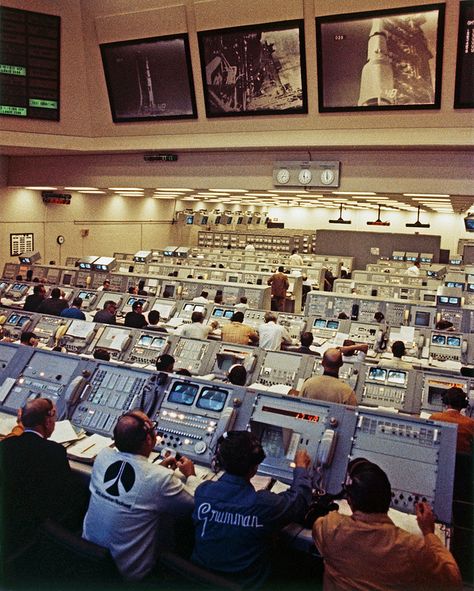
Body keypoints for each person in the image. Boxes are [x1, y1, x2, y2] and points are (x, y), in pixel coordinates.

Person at [313, 458, 462, 591]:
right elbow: (453, 581)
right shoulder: (412, 548)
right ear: (388, 497)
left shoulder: (329, 527)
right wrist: (429, 533)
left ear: (350, 501)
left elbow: (318, 528)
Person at [82, 410, 197, 581]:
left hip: (85, 557)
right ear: (150, 439)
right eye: (153, 429)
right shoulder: (160, 478)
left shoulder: (103, 456)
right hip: (127, 575)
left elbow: (136, 474)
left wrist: (158, 468)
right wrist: (191, 475)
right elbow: (194, 505)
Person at [192, 431, 312, 588]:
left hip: (198, 580)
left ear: (220, 460)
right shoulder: (263, 504)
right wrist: (301, 468)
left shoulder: (203, 491)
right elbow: (299, 501)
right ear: (254, 469)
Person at [0, 398, 85, 556]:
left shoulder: (6, 445)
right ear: (47, 422)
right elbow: (66, 494)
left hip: (9, 523)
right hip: (35, 531)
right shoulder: (55, 451)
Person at [430, 387, 474, 455]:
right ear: (463, 404)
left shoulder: (434, 417)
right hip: (462, 464)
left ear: (445, 401)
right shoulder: (470, 423)